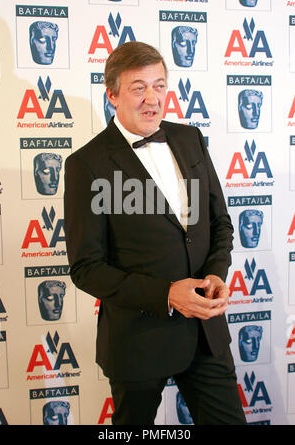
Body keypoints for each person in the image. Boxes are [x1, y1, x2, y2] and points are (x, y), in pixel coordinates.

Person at [64, 41, 246, 425]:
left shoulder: (189, 138)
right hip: (138, 340)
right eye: (138, 87)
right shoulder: (87, 165)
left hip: (206, 333)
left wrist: (216, 273)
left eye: (159, 85)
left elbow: (219, 223)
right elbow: (87, 268)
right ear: (112, 94)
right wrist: (166, 295)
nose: (153, 99)